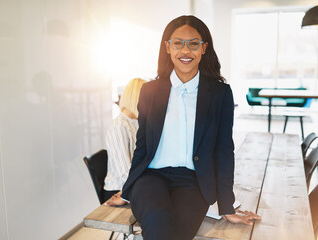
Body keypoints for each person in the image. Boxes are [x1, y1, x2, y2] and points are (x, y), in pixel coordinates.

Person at [105, 15, 261, 240]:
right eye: (178, 43)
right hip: (150, 177)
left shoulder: (220, 94)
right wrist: (128, 190)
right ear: (168, 47)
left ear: (204, 48)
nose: (185, 51)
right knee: (158, 221)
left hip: (193, 181)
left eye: (193, 44)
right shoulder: (149, 91)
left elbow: (224, 150)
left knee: (178, 232)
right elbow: (143, 147)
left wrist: (226, 204)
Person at [103, 78, 146, 202]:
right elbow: (124, 173)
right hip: (119, 190)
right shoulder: (119, 127)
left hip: (132, 184)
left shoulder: (137, 122)